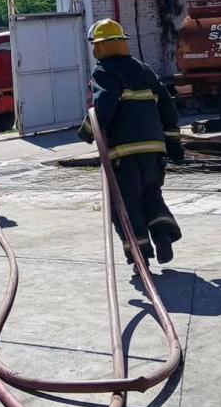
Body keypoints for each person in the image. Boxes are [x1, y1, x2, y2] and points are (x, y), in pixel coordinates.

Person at [78, 19, 184, 273]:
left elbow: (102, 107)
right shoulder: (145, 70)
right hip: (154, 152)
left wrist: (86, 132)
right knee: (152, 195)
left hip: (123, 155)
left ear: (100, 47)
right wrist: (174, 145)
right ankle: (162, 235)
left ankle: (140, 257)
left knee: (125, 205)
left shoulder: (103, 72)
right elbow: (168, 109)